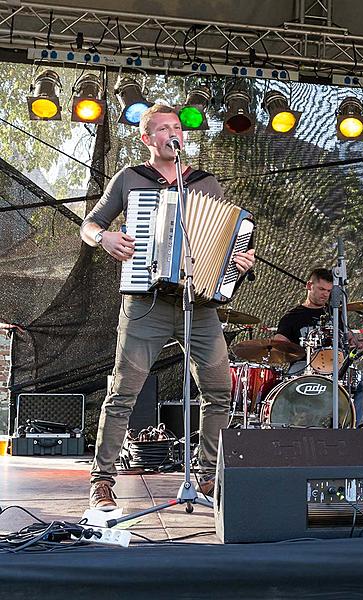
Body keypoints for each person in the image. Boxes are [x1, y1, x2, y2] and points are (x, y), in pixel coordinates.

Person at [81, 104, 255, 510]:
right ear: (146, 139)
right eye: (162, 129)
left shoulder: (205, 183)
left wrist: (239, 261)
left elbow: (226, 238)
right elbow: (89, 224)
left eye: (176, 127)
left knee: (219, 391)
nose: (171, 133)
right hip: (146, 301)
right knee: (123, 392)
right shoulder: (130, 179)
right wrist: (104, 239)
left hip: (200, 302)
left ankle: (208, 476)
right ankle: (102, 480)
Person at [273, 268, 363, 426]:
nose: (325, 294)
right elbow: (278, 346)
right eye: (321, 289)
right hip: (303, 366)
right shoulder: (291, 317)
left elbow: (349, 337)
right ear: (309, 285)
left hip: (336, 367)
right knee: (287, 387)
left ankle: (350, 428)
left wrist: (355, 341)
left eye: (329, 291)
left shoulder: (335, 314)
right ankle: (285, 427)